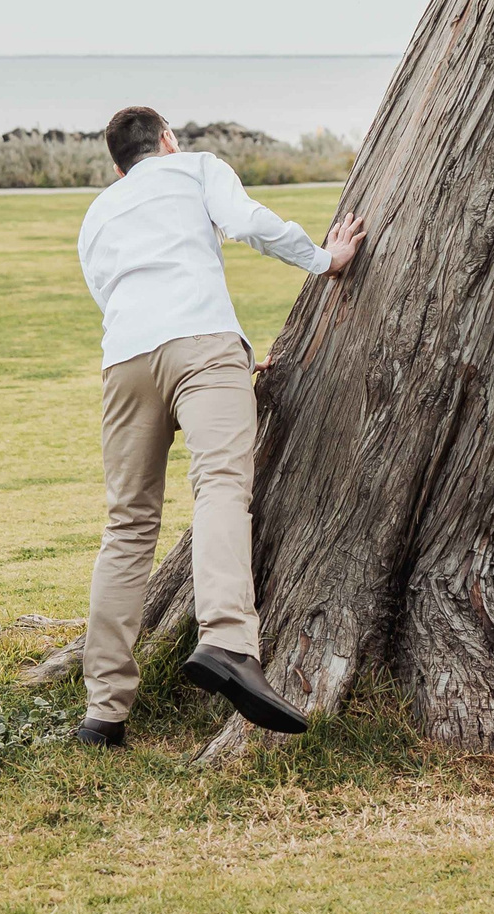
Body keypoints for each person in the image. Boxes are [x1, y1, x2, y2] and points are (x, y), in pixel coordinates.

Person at [69, 106, 366, 748]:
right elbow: (249, 223)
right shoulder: (198, 168)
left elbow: (109, 293)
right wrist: (326, 259)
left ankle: (104, 712)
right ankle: (228, 642)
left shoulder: (99, 213)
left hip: (125, 362)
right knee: (222, 489)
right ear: (167, 141)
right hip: (204, 344)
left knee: (127, 526)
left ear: (119, 167)